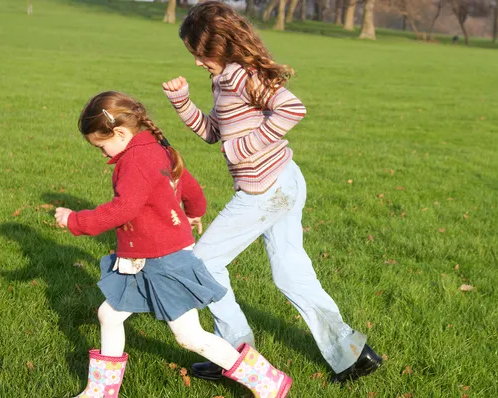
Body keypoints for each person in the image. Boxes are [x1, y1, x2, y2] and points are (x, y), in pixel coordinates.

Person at [162, 1, 381, 383]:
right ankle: (353, 354)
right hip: (283, 180)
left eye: (199, 53)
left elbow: (291, 109)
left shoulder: (242, 75)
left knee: (203, 264)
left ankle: (232, 353)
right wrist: (182, 103)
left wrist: (246, 148)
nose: (197, 62)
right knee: (291, 274)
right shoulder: (223, 78)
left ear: (219, 45)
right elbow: (215, 133)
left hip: (265, 189)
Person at [54, 91, 292, 397]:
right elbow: (191, 189)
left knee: (190, 336)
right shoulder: (158, 149)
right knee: (109, 314)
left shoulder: (135, 161)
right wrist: (193, 213)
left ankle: (270, 383)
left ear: (121, 133)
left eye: (102, 146)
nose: (102, 153)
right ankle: (100, 391)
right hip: (143, 258)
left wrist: (76, 220)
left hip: (162, 261)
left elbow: (122, 209)